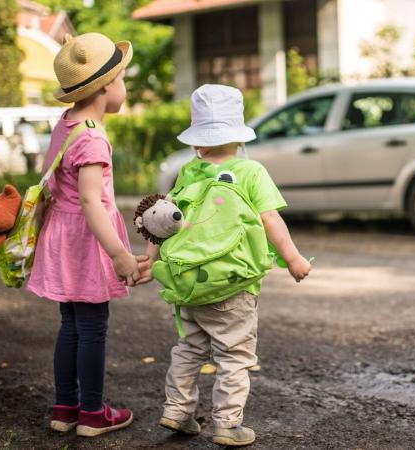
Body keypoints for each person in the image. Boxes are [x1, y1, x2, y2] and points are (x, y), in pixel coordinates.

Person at [137, 84, 312, 447]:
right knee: (234, 354)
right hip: (234, 284)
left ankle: (178, 411)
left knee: (189, 350)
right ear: (239, 136)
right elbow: (270, 220)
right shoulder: (250, 171)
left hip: (187, 283)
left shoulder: (188, 172)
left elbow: (165, 222)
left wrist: (149, 259)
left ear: (197, 142)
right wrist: (293, 259)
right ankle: (227, 424)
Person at [27, 32, 145, 437]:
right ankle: (93, 413)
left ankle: (65, 408)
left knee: (71, 324)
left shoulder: (67, 123)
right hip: (85, 239)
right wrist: (120, 255)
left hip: (61, 232)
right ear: (107, 86)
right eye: (124, 77)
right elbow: (93, 204)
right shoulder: (93, 136)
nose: (124, 85)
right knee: (92, 326)